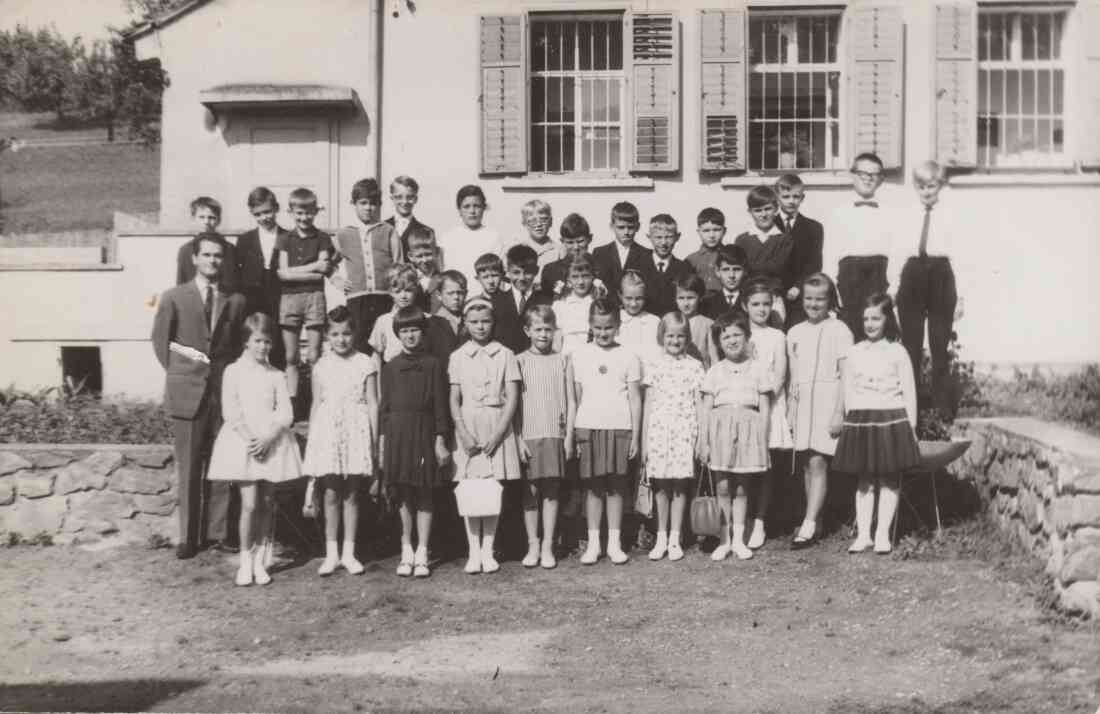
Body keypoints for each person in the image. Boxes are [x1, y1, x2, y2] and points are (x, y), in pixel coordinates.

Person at [151, 234, 247, 559]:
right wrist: (186, 372)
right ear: (194, 258)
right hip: (188, 393)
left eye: (218, 256)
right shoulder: (173, 297)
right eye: (206, 255)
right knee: (190, 467)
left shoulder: (236, 301)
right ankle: (188, 538)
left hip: (222, 394)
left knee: (223, 465)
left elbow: (236, 348)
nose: (212, 261)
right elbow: (162, 344)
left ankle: (218, 533)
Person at [206, 313, 302, 585]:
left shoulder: (276, 375)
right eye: (258, 341)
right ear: (246, 342)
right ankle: (246, 561)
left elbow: (285, 412)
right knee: (249, 504)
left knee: (267, 503)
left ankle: (261, 560)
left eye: (268, 342)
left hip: (271, 441)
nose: (263, 347)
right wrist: (252, 440)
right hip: (244, 442)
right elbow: (231, 411)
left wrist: (269, 439)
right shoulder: (233, 372)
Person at [832, 293, 920, 555]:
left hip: (891, 418)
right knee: (865, 481)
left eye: (876, 318)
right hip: (861, 420)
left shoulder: (897, 351)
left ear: (887, 319)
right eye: (866, 319)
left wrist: (911, 428)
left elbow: (909, 391)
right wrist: (850, 419)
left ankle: (883, 534)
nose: (870, 324)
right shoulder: (854, 352)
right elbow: (847, 387)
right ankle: (864, 535)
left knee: (889, 479)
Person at [302, 306, 379, 576]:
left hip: (356, 432)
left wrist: (373, 439)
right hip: (329, 434)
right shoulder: (321, 366)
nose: (341, 339)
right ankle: (331, 553)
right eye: (335, 334)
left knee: (352, 494)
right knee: (331, 493)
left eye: (346, 333)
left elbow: (372, 402)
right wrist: (313, 441)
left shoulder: (365, 362)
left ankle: (349, 553)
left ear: (355, 334)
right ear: (326, 336)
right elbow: (315, 403)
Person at [449, 297, 522, 574]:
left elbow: (512, 398)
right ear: (466, 324)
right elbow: (454, 398)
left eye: (486, 321)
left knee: (491, 489)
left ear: (493, 323)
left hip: (496, 423)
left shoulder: (505, 354)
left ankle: (488, 551)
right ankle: (473, 551)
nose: (480, 327)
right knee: (470, 488)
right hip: (468, 423)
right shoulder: (457, 356)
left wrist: (499, 433)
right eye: (474, 322)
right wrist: (463, 432)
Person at [379, 306, 450, 578]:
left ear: (423, 332)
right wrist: (383, 445)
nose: (410, 336)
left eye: (415, 330)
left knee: (424, 493)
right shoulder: (391, 367)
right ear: (398, 334)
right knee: (404, 494)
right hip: (398, 434)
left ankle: (422, 551)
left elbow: (441, 408)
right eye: (405, 331)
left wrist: (440, 440)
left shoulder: (433, 365)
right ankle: (406, 548)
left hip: (424, 431)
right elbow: (384, 410)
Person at [571, 298, 643, 565]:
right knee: (593, 488)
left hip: (620, 427)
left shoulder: (629, 356)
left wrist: (636, 435)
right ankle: (593, 544)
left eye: (609, 327)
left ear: (618, 326)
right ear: (590, 325)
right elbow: (576, 398)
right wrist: (575, 433)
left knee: (616, 486)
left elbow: (636, 398)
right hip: (589, 426)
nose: (603, 333)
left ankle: (614, 543)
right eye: (598, 327)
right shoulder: (579, 355)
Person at [787, 273, 853, 549]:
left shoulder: (840, 330)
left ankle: (810, 523)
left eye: (820, 299)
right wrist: (791, 410)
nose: (814, 304)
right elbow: (793, 377)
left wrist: (840, 411)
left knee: (818, 462)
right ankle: (815, 518)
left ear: (831, 300)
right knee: (807, 462)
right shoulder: (795, 332)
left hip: (828, 400)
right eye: (809, 299)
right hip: (803, 404)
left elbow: (846, 375)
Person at [699, 312, 771, 562]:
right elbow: (706, 410)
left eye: (737, 335)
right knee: (722, 486)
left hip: (749, 432)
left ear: (747, 337)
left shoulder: (759, 370)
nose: (732, 340)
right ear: (719, 342)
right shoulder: (715, 372)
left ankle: (739, 540)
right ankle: (724, 539)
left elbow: (765, 408)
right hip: (720, 432)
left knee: (742, 487)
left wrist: (762, 437)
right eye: (726, 336)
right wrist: (704, 442)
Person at [895, 160, 965, 417]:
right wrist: (894, 287)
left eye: (932, 186)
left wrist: (962, 296)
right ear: (915, 187)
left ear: (941, 186)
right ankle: (910, 407)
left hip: (941, 275)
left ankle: (941, 408)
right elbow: (899, 250)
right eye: (921, 186)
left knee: (939, 344)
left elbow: (961, 255)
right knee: (910, 345)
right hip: (912, 274)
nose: (926, 191)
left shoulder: (950, 215)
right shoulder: (908, 214)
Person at [516, 305, 576, 569]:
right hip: (529, 433)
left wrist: (569, 436)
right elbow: (514, 404)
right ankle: (533, 544)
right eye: (538, 329)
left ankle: (549, 545)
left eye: (548, 329)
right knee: (530, 492)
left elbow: (571, 401)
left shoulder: (563, 360)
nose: (543, 334)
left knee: (551, 491)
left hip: (555, 432)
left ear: (555, 331)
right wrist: (518, 438)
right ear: (527, 330)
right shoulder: (519, 360)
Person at [641, 312, 704, 562]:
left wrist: (700, 438)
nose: (675, 341)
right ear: (661, 337)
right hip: (659, 432)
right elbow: (648, 404)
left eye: (680, 336)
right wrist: (645, 440)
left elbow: (699, 404)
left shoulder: (695, 366)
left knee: (679, 487)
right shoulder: (654, 365)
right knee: (660, 488)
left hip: (684, 432)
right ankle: (661, 536)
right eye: (670, 335)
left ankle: (676, 538)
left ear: (687, 338)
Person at [740, 278, 794, 549]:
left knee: (765, 467)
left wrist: (763, 396)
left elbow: (781, 375)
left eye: (766, 304)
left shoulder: (778, 336)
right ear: (744, 306)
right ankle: (743, 520)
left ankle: (760, 520)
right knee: (744, 466)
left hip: (770, 405)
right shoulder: (740, 334)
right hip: (743, 405)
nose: (761, 309)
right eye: (755, 304)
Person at [824, 152, 901, 338]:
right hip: (849, 277)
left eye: (873, 175)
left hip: (878, 274)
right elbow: (830, 253)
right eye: (862, 174)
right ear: (852, 175)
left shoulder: (892, 213)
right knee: (849, 331)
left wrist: (894, 288)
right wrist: (831, 288)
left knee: (878, 329)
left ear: (881, 179)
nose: (867, 179)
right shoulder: (838, 213)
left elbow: (896, 252)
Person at [331, 178, 403, 354]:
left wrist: (396, 296)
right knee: (360, 346)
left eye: (373, 203)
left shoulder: (388, 231)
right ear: (354, 204)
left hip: (384, 298)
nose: (368, 208)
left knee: (385, 345)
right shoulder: (344, 234)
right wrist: (336, 279)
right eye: (363, 203)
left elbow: (399, 265)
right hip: (357, 300)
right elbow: (328, 263)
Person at [276, 187, 334, 404]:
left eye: (308, 212)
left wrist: (294, 272)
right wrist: (313, 267)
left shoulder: (322, 238)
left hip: (314, 298)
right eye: (299, 213)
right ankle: (293, 403)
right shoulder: (284, 238)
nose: (304, 217)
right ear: (290, 212)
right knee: (291, 356)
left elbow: (322, 271)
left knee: (313, 355)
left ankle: (315, 402)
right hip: (289, 299)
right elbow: (282, 274)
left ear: (315, 212)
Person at [234, 188, 287, 367]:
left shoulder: (288, 237)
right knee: (254, 339)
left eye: (267, 211)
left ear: (276, 208)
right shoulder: (245, 240)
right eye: (258, 214)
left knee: (277, 342)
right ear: (252, 214)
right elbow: (238, 273)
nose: (264, 217)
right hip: (253, 297)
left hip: (279, 295)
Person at [734, 185, 795, 326]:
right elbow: (741, 270)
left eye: (768, 209)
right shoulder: (742, 240)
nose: (763, 214)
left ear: (776, 209)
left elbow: (778, 268)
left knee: (775, 333)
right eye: (758, 210)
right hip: (748, 297)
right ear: (750, 212)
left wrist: (750, 265)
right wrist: (763, 266)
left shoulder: (784, 239)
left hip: (774, 298)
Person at [774, 173, 824, 328]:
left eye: (796, 197)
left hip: (801, 295)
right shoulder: (769, 225)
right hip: (774, 294)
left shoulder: (813, 228)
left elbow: (814, 263)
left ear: (803, 197)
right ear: (777, 197)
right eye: (786, 196)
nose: (791, 201)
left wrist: (798, 286)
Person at [491, 244, 554, 354]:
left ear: (536, 271)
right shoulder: (496, 301)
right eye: (516, 272)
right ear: (508, 272)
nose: (522, 278)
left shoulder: (546, 301)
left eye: (527, 272)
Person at [438, 184, 500, 287]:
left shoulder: (494, 237)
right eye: (466, 207)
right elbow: (442, 272)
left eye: (477, 206)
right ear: (459, 210)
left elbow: (499, 274)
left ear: (483, 208)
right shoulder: (447, 238)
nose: (472, 211)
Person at [175, 196, 238, 293]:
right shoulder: (185, 250)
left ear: (219, 220)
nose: (206, 222)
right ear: (193, 219)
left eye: (211, 218)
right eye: (201, 217)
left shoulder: (229, 248)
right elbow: (181, 283)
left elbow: (232, 282)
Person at [592, 202, 651, 299]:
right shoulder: (600, 253)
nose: (626, 232)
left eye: (630, 227)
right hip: (608, 310)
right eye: (621, 227)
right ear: (612, 226)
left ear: (638, 227)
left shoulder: (647, 254)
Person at [641, 213, 694, 317]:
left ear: (677, 237)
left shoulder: (685, 268)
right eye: (658, 237)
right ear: (649, 237)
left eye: (669, 237)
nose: (663, 242)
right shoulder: (639, 265)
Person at [368, 265, 423, 364]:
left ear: (416, 290)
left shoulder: (426, 318)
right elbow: (377, 355)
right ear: (390, 292)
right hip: (393, 373)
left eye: (408, 290)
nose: (403, 296)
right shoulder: (384, 321)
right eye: (398, 291)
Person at [541, 212, 602, 297]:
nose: (576, 247)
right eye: (570, 242)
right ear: (562, 242)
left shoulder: (602, 267)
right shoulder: (550, 271)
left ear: (590, 239)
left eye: (580, 241)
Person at [503, 199, 561, 280]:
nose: (538, 224)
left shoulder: (559, 250)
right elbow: (507, 278)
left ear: (551, 221)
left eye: (543, 219)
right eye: (532, 220)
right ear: (524, 223)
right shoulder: (516, 250)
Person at [553, 254, 598, 356]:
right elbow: (556, 338)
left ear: (593, 277)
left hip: (593, 354)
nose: (581, 282)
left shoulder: (597, 303)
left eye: (585, 276)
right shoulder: (560, 305)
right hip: (568, 355)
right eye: (575, 277)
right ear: (568, 281)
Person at [616, 270, 661, 369]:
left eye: (639, 298)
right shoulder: (615, 320)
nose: (633, 304)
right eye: (628, 298)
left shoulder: (653, 321)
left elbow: (657, 355)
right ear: (620, 295)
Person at [675, 274, 719, 370]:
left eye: (690, 298)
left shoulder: (708, 324)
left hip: (701, 374)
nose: (686, 303)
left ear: (700, 298)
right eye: (681, 298)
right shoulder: (672, 322)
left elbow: (714, 357)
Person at [386, 175, 436, 257]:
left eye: (409, 197)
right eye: (399, 197)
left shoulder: (426, 232)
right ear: (392, 198)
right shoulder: (382, 228)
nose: (404, 201)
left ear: (416, 199)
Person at [699, 244, 750, 320]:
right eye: (726, 269)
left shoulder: (751, 301)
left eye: (737, 269)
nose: (731, 275)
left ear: (745, 271)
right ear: (717, 271)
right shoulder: (706, 304)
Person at [686, 207, 727, 294]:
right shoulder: (691, 260)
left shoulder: (730, 256)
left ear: (724, 231)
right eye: (706, 231)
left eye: (716, 230)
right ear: (699, 232)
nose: (711, 235)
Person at [407, 230, 443, 314]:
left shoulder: (442, 279)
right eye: (419, 256)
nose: (424, 260)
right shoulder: (409, 278)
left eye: (428, 254)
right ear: (411, 256)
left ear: (437, 252)